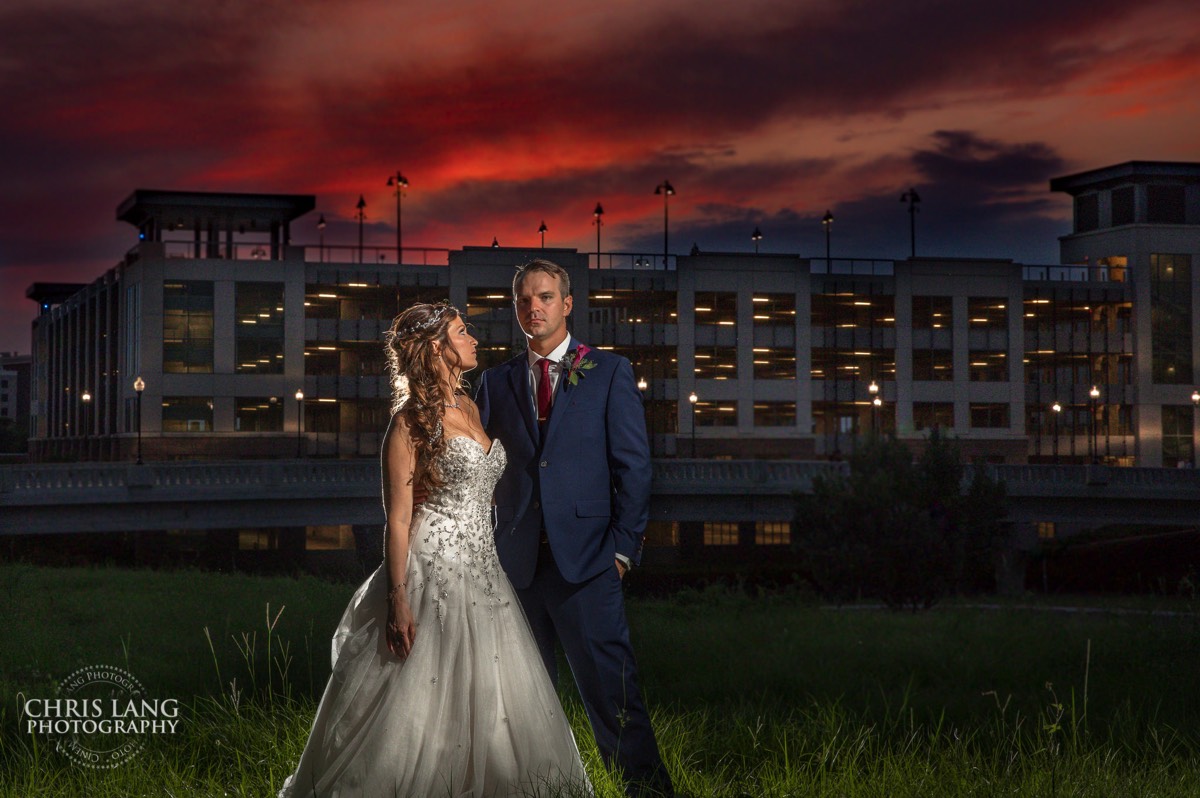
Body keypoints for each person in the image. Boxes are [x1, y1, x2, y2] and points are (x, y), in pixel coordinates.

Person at [278, 302, 590, 797]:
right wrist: (398, 598)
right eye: (463, 332)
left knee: (492, 696)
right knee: (424, 696)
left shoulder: (469, 406)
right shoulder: (407, 424)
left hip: (484, 569)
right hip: (433, 568)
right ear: (437, 348)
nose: (474, 340)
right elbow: (398, 519)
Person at [476, 260, 675, 797]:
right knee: (521, 708)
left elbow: (633, 468)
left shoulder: (608, 372)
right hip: (516, 569)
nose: (532, 308)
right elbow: (485, 472)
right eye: (522, 300)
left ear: (567, 304)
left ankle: (648, 792)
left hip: (589, 564)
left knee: (614, 697)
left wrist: (622, 552)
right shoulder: (493, 383)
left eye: (543, 297)